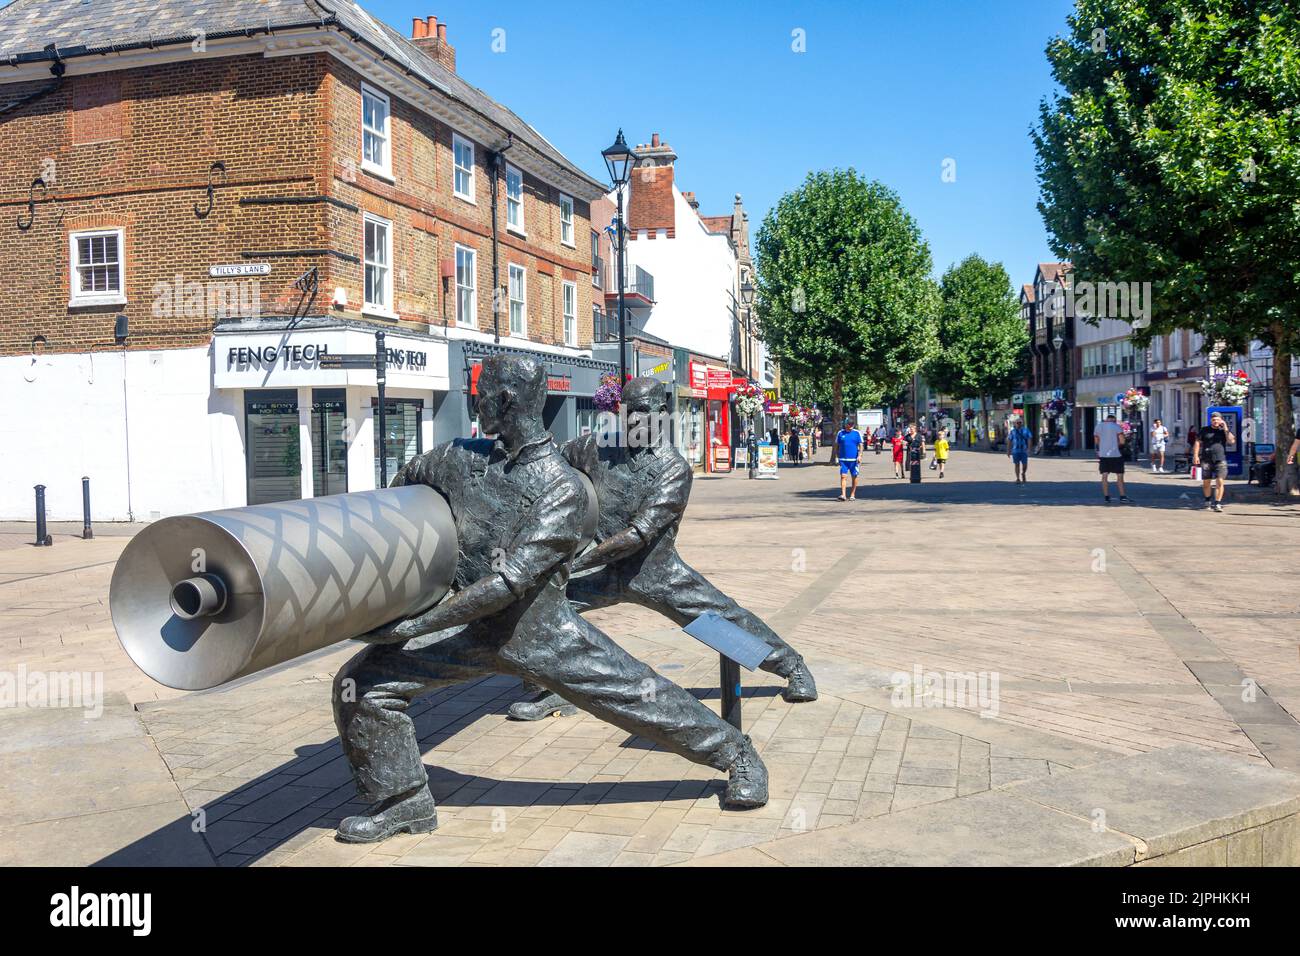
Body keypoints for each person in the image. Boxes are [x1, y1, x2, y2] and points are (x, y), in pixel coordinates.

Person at [331, 357, 768, 843]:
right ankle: (405, 803)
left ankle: (737, 753)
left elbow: (510, 582)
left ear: (503, 402)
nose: (476, 401)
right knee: (362, 683)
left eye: (481, 393)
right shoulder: (456, 458)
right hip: (469, 630)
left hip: (541, 633)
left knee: (637, 697)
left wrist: (411, 627)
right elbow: (402, 498)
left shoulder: (559, 487)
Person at [509, 376, 817, 721]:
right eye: (626, 411)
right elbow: (549, 464)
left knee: (723, 618)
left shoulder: (673, 469)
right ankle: (553, 688)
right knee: (535, 609)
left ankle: (792, 666)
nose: (632, 420)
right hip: (601, 571)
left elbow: (638, 535)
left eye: (641, 412)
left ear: (662, 412)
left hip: (654, 571)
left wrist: (576, 564)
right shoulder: (595, 449)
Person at [1192, 411, 1234, 512]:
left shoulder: (1223, 431)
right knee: (1207, 481)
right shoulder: (1204, 430)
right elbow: (1197, 442)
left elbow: (1231, 441)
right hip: (1206, 459)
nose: (1215, 421)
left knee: (1220, 480)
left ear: (1221, 420)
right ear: (1211, 420)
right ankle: (1207, 501)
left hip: (1220, 459)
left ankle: (1218, 503)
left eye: (1217, 420)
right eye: (1213, 420)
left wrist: (1226, 428)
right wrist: (1195, 455)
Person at [1094, 412, 1130, 503]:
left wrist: (1102, 447)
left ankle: (1106, 496)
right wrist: (1115, 445)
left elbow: (1097, 441)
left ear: (1106, 419)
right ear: (1114, 420)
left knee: (1104, 475)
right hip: (1116, 454)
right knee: (1119, 475)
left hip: (1103, 455)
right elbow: (1122, 441)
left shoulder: (1098, 427)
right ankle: (1122, 496)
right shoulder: (1117, 427)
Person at [834, 417, 864, 501]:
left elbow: (861, 445)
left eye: (852, 424)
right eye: (849, 424)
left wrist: (860, 455)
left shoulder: (857, 433)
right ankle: (843, 494)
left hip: (854, 460)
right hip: (843, 459)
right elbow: (836, 445)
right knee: (843, 476)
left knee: (854, 476)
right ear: (846, 424)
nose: (851, 426)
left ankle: (852, 494)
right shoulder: (840, 433)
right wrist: (836, 457)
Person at [1006, 418, 1033, 483]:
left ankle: (1023, 473)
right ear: (1015, 424)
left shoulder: (1026, 430)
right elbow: (1009, 441)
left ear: (1022, 423)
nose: (1018, 424)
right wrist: (1008, 451)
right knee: (1017, 464)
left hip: (1024, 450)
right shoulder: (1012, 431)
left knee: (1025, 465)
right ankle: (1018, 478)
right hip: (1015, 451)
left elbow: (1029, 439)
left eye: (1020, 422)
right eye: (1017, 423)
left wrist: (1029, 449)